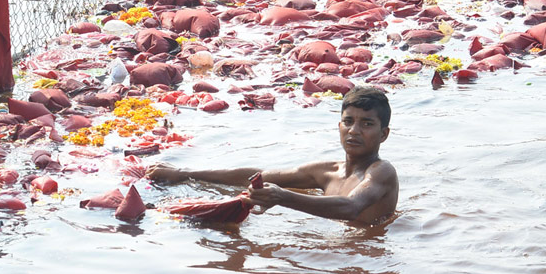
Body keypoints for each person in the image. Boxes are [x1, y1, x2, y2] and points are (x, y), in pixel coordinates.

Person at [148, 85, 399, 225]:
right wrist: (184, 175)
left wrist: (282, 197)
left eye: (367, 124)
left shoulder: (381, 172)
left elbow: (351, 208)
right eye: (348, 121)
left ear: (384, 134)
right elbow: (256, 175)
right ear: (339, 126)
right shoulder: (326, 172)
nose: (354, 130)